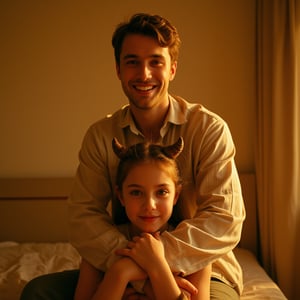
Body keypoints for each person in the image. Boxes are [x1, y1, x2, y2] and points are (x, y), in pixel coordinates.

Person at [20, 12, 245, 300]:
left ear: (172, 69)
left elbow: (224, 219)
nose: (144, 74)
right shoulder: (100, 136)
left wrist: (155, 261)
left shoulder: (208, 129)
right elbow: (83, 216)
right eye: (132, 62)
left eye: (155, 62)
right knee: (37, 293)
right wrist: (125, 264)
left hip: (199, 267)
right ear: (118, 69)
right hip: (117, 260)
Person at [75, 137, 211, 300]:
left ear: (176, 195)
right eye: (136, 192)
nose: (149, 205)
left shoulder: (194, 248)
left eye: (161, 192)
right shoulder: (99, 246)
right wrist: (120, 273)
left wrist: (156, 266)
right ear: (121, 196)